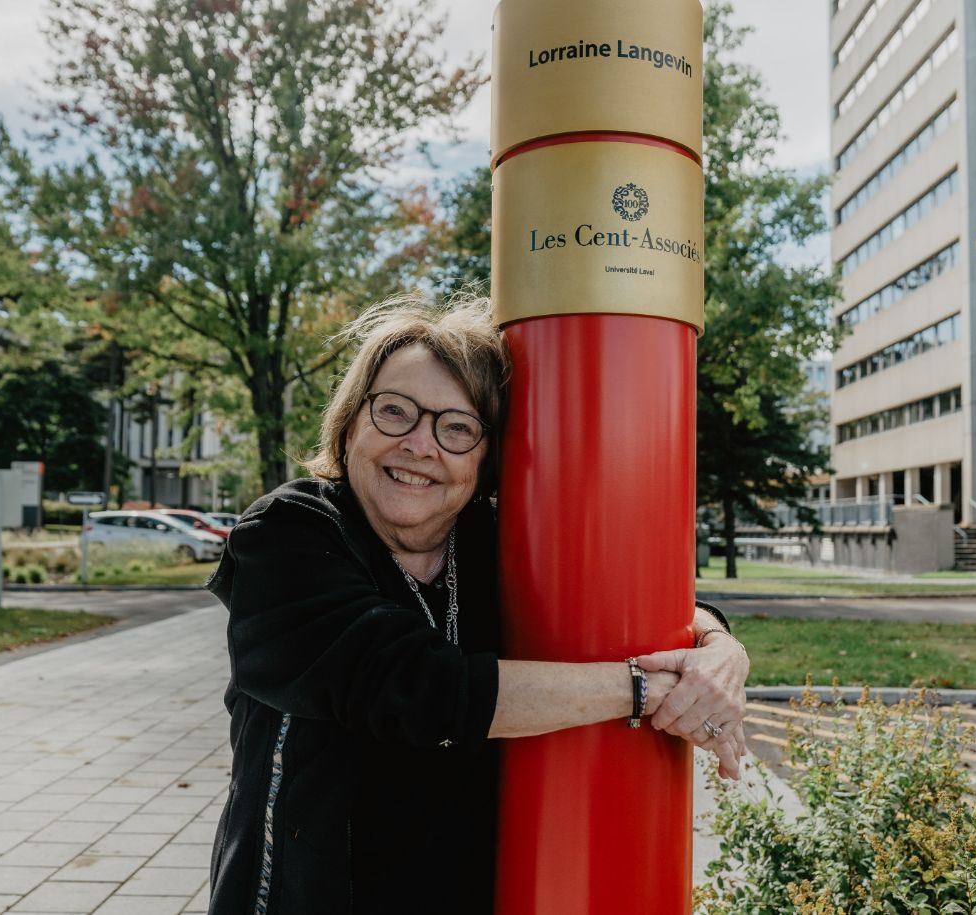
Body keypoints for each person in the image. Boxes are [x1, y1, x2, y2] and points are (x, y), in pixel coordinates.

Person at [205, 294, 750, 914]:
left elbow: (616, 600)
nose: (420, 445)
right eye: (395, 412)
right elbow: (416, 688)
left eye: (457, 427)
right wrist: (649, 691)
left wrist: (717, 649)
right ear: (352, 422)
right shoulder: (288, 534)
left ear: (488, 457)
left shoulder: (492, 542)